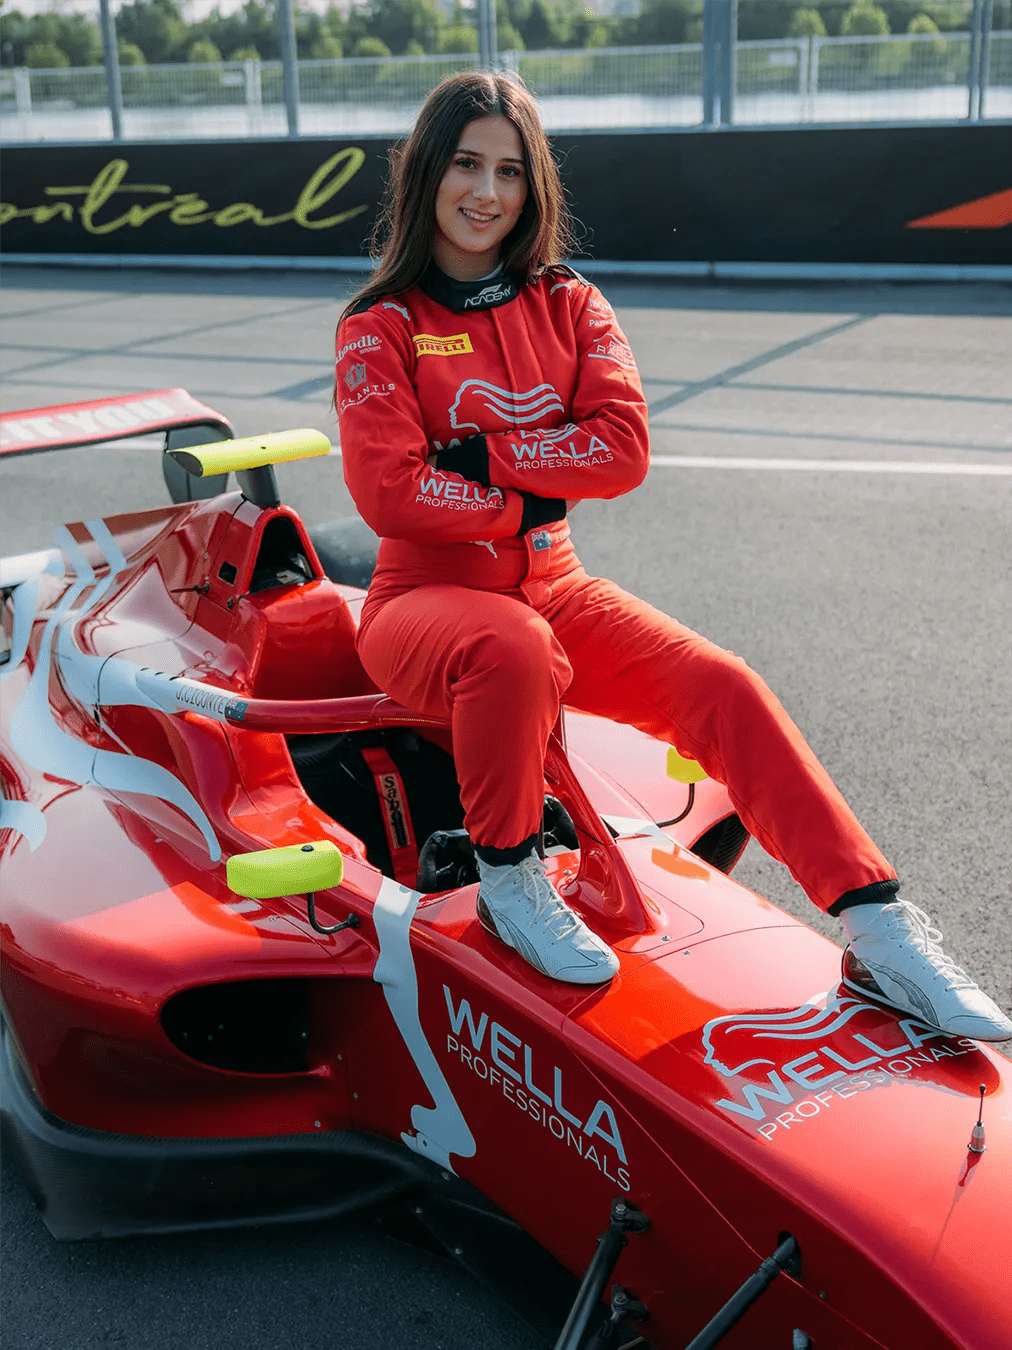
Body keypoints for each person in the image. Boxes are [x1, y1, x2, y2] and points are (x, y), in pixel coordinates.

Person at [334, 70, 1010, 1041]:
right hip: (421, 608)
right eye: (466, 164)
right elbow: (390, 492)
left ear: (534, 189)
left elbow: (625, 449)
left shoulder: (569, 302)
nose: (486, 192)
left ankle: (877, 922)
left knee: (722, 685)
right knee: (511, 648)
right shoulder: (379, 325)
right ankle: (509, 880)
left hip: (555, 587)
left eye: (510, 172)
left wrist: (483, 462)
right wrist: (540, 480)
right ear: (426, 173)